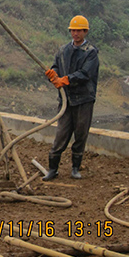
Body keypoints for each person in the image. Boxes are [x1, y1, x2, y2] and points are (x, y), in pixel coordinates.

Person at [42, 15, 99, 181]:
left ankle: (75, 168)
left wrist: (65, 80)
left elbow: (85, 73)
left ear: (85, 31)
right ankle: (53, 169)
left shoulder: (91, 53)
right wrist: (53, 75)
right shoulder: (62, 50)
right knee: (61, 134)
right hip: (66, 100)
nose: (75, 33)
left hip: (84, 100)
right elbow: (55, 67)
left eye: (79, 30)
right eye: (73, 30)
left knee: (80, 134)